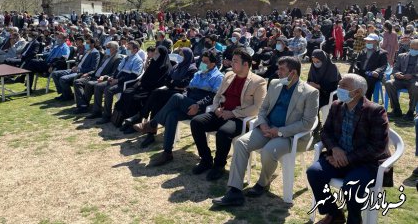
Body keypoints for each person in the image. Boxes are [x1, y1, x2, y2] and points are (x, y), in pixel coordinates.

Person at [212, 56, 319, 206]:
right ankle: (235, 191)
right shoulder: (275, 84)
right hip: (266, 128)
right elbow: (263, 109)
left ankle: (262, 183)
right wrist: (262, 124)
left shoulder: (310, 92)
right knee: (242, 143)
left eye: (282, 69)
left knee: (269, 150)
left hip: (289, 136)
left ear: (293, 73)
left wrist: (279, 131)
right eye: (278, 68)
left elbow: (307, 123)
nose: (278, 72)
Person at [307, 73, 390, 224]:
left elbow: (378, 146)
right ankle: (334, 214)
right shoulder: (337, 105)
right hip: (337, 157)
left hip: (366, 163)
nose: (339, 89)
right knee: (314, 172)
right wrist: (335, 149)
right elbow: (325, 132)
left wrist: (348, 158)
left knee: (351, 185)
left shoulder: (375, 111)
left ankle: (354, 219)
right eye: (339, 85)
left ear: (357, 92)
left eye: (344, 86)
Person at [133, 50, 224, 166]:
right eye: (202, 60)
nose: (202, 63)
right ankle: (167, 153)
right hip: (189, 103)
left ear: (213, 63)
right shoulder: (198, 73)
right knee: (172, 114)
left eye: (205, 62)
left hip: (202, 108)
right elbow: (188, 90)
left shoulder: (218, 77)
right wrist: (185, 99)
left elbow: (213, 97)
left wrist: (198, 105)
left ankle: (152, 124)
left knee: (176, 96)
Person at [190, 48, 267, 181]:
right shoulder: (228, 75)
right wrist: (216, 109)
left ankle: (219, 165)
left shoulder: (258, 82)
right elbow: (217, 96)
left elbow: (257, 108)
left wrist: (233, 113)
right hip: (221, 113)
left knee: (223, 132)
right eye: (232, 60)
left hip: (239, 118)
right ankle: (206, 159)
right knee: (196, 122)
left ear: (246, 64)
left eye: (235, 61)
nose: (232, 63)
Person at [139, 47, 198, 147]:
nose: (180, 57)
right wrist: (174, 84)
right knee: (156, 96)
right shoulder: (177, 66)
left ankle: (146, 122)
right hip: (172, 90)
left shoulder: (192, 69)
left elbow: (184, 84)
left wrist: (173, 83)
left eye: (182, 55)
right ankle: (150, 132)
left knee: (157, 95)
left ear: (187, 56)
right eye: (179, 54)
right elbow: (167, 79)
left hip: (180, 94)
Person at [116, 46, 172, 132]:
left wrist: (145, 84)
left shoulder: (165, 66)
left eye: (157, 53)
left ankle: (135, 123)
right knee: (127, 93)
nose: (155, 54)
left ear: (162, 54)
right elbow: (146, 74)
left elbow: (160, 82)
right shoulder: (154, 61)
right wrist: (141, 83)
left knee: (135, 98)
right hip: (144, 86)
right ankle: (127, 119)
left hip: (153, 90)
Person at [86, 41, 144, 124]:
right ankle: (97, 111)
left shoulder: (138, 60)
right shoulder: (126, 58)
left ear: (135, 50)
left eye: (129, 48)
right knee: (98, 86)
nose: (126, 49)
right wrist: (110, 78)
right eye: (127, 48)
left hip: (125, 83)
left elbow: (133, 76)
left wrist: (117, 80)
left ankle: (107, 116)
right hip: (117, 80)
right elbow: (118, 70)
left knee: (108, 90)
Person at [73, 41, 123, 114]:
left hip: (102, 79)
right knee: (77, 82)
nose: (106, 49)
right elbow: (97, 69)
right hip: (94, 76)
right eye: (106, 47)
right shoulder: (106, 56)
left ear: (115, 48)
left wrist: (104, 77)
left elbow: (114, 73)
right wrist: (88, 73)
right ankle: (82, 104)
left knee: (89, 84)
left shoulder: (118, 59)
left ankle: (84, 106)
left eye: (108, 47)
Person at [385, 39, 418, 121]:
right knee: (389, 83)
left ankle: (411, 111)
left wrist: (412, 75)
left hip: (413, 80)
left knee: (416, 86)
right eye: (412, 48)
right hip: (400, 80)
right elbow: (395, 69)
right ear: (409, 47)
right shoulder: (401, 56)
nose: (413, 50)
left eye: (416, 49)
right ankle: (396, 110)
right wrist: (397, 74)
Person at [353, 33, 388, 100]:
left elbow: (384, 65)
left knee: (369, 80)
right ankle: (354, 98)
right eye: (367, 41)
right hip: (361, 72)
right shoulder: (363, 51)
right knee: (352, 79)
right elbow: (357, 62)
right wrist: (356, 68)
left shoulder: (382, 53)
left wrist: (377, 71)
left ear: (375, 42)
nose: (367, 42)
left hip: (373, 74)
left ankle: (366, 100)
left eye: (370, 41)